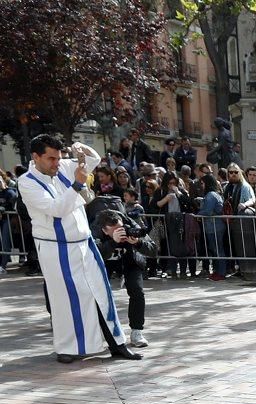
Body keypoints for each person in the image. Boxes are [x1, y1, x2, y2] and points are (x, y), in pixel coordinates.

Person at [17, 135, 139, 362]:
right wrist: (77, 184)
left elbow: (92, 161)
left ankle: (117, 344)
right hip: (56, 248)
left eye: (58, 157)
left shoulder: (61, 166)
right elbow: (56, 209)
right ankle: (67, 348)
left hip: (84, 242)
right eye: (51, 158)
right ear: (35, 157)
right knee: (65, 298)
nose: (56, 163)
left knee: (100, 291)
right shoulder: (26, 182)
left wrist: (83, 149)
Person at [94, 208, 156, 347]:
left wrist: (137, 243)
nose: (121, 232)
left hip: (130, 262)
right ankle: (97, 331)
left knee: (137, 292)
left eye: (121, 228)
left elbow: (153, 250)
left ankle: (137, 331)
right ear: (105, 230)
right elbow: (93, 254)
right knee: (96, 295)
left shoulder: (130, 226)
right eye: (115, 230)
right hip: (105, 265)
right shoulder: (95, 231)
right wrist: (112, 242)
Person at [197, 173, 227, 280]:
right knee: (216, 249)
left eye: (202, 183)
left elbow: (207, 211)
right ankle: (219, 271)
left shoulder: (210, 195)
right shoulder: (214, 194)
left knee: (217, 249)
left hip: (214, 226)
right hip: (214, 226)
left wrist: (197, 215)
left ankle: (221, 272)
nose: (201, 186)